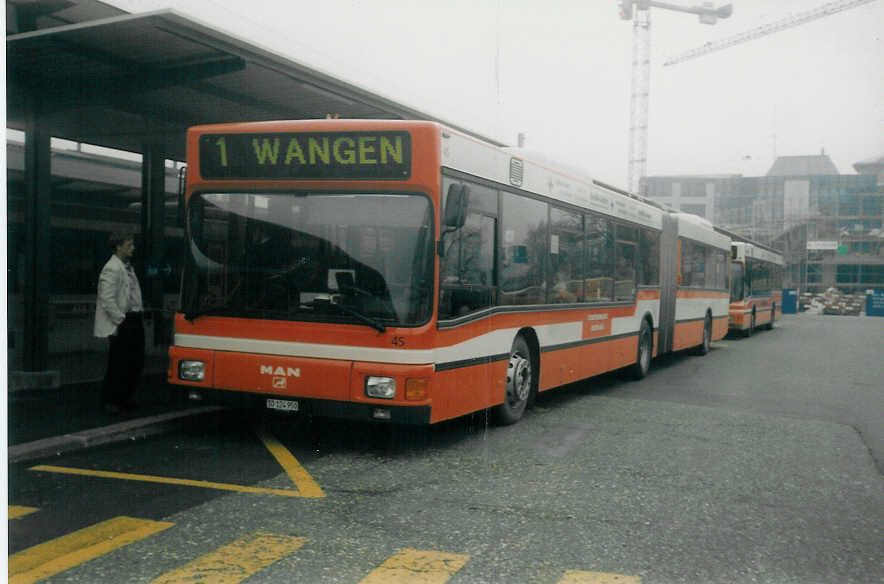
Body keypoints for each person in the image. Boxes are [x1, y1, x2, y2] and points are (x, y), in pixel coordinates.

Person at [94, 232, 144, 413]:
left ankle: (124, 397)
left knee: (135, 361)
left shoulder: (128, 267)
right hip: (124, 320)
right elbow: (106, 298)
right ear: (118, 247)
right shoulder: (112, 268)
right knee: (119, 362)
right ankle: (111, 400)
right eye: (129, 245)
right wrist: (120, 319)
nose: (133, 248)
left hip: (134, 317)